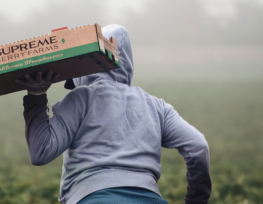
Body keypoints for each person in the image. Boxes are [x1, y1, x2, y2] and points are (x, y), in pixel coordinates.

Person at [15, 24, 211, 204]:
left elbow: (40, 152)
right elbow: (198, 146)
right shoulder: (157, 106)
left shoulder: (81, 98)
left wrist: (36, 95)